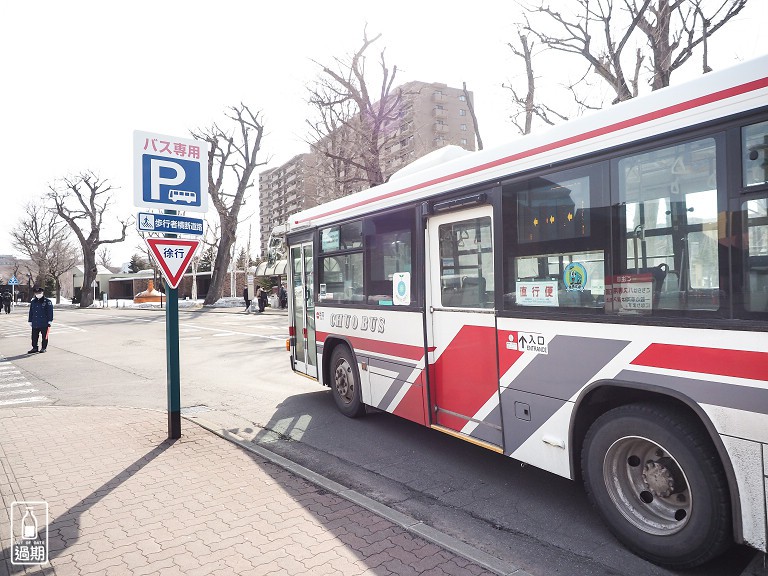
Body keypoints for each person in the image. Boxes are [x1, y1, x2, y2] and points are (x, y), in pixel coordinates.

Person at [28, 287, 53, 354]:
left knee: (44, 336)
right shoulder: (33, 302)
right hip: (35, 321)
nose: (38, 294)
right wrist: (30, 320)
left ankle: (43, 348)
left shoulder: (47, 301)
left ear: (42, 293)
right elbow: (31, 312)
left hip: (44, 322)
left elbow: (50, 312)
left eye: (39, 293)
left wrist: (50, 320)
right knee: (34, 336)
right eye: (36, 293)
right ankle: (34, 347)